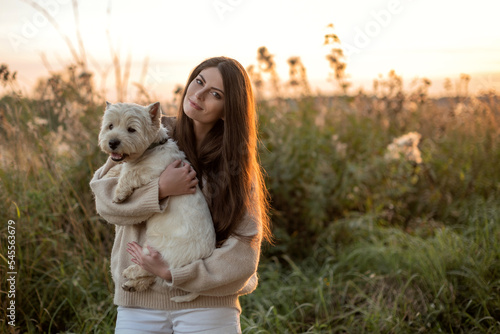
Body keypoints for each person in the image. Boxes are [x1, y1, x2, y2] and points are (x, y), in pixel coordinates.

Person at [90, 56, 272, 334]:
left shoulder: (236, 164)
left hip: (210, 306)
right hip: (140, 301)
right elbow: (107, 204)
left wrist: (174, 274)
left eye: (215, 94)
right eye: (199, 81)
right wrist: (160, 190)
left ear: (228, 109)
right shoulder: (145, 131)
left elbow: (244, 249)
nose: (198, 95)